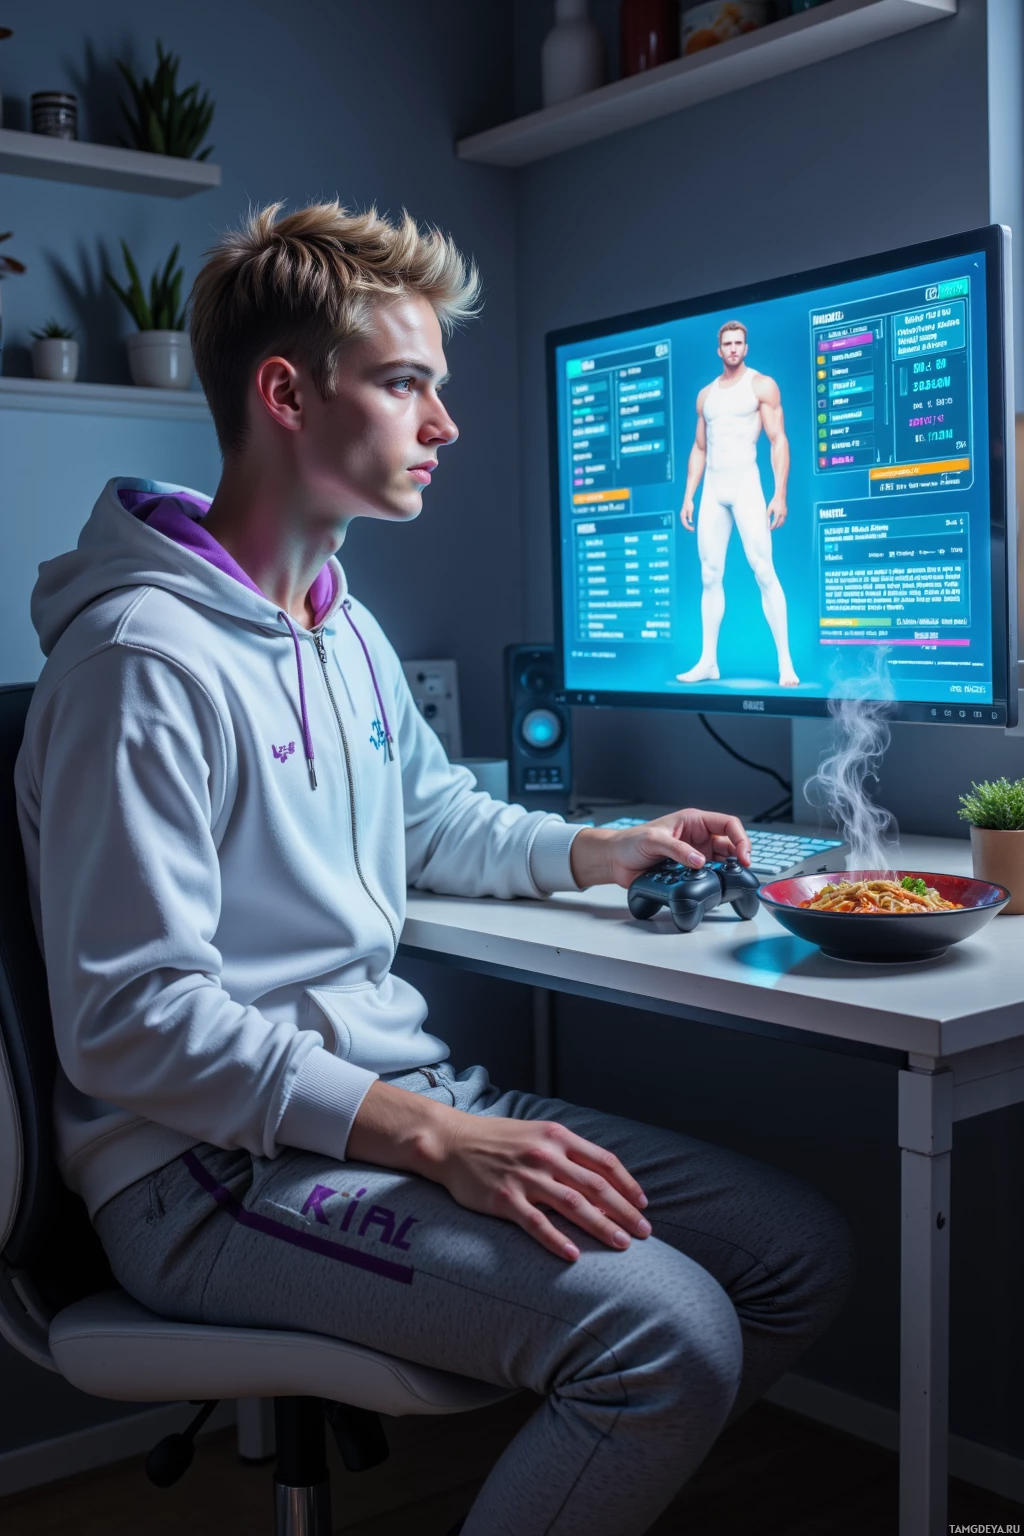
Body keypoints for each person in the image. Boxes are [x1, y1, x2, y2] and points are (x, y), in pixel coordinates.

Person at [16, 204, 853, 1536]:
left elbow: (434, 820)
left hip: (388, 1105)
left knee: (796, 1259)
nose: (446, 424)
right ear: (284, 393)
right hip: (211, 1173)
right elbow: (133, 1022)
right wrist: (437, 1137)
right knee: (669, 1340)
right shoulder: (141, 667)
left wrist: (599, 846)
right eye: (408, 383)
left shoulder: (342, 622)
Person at [676, 320, 800, 688]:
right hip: (713, 488)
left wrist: (780, 493)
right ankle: (708, 662)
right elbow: (699, 447)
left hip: (746, 484)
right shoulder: (706, 395)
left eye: (738, 343)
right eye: (727, 343)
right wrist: (689, 495)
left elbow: (778, 440)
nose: (732, 348)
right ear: (720, 350)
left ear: (746, 348)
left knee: (763, 569)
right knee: (709, 574)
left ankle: (786, 663)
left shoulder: (761, 385)